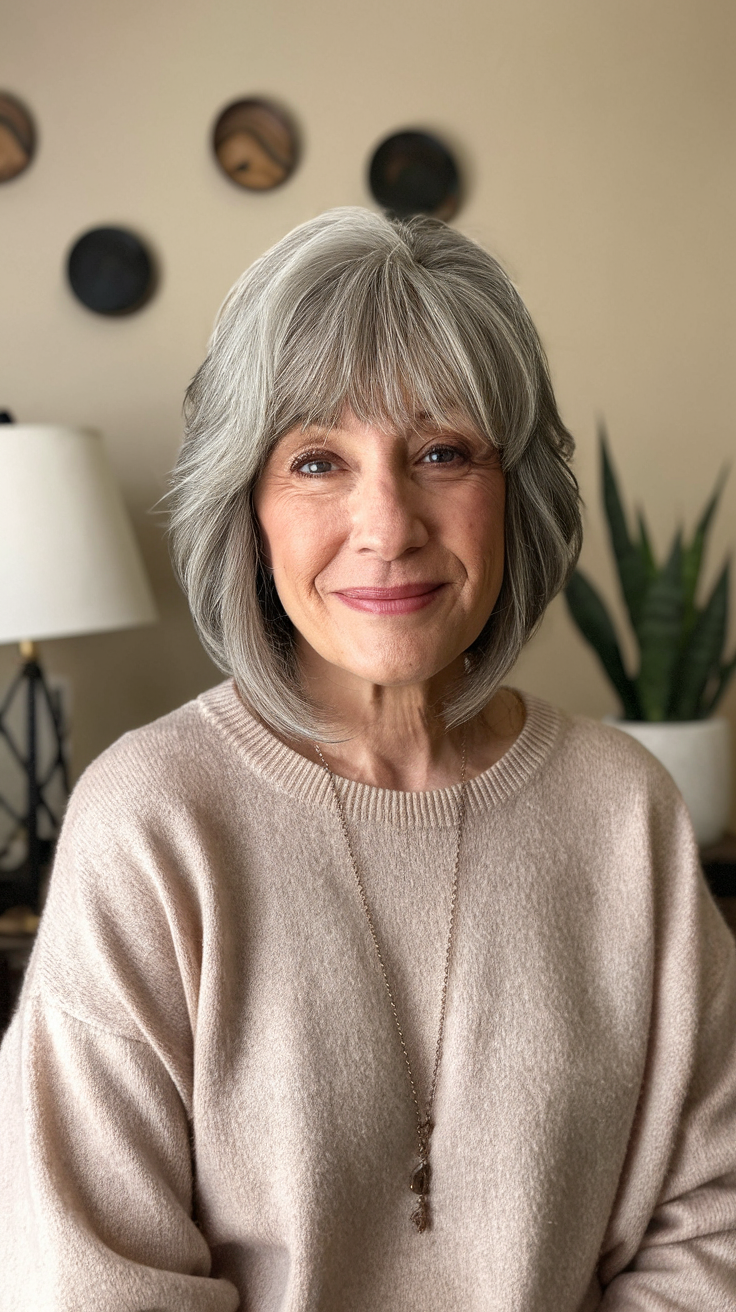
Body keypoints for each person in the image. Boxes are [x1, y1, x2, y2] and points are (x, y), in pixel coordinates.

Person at [1, 207, 735, 1310]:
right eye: (316, 461)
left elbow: (713, 1227)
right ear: (246, 508)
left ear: (513, 491)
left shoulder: (627, 814)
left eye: (441, 452)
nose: (386, 524)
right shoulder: (149, 825)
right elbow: (90, 1282)